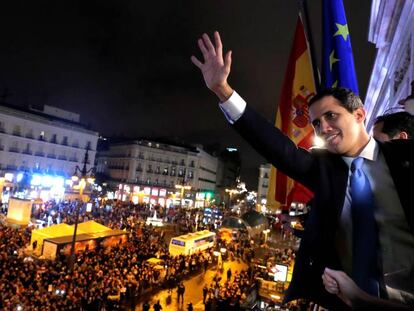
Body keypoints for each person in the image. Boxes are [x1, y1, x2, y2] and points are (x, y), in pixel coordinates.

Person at [191, 32, 414, 310]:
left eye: (331, 116)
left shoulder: (404, 157)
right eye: (317, 123)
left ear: (359, 115)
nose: (324, 128)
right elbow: (275, 147)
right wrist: (223, 91)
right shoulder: (323, 169)